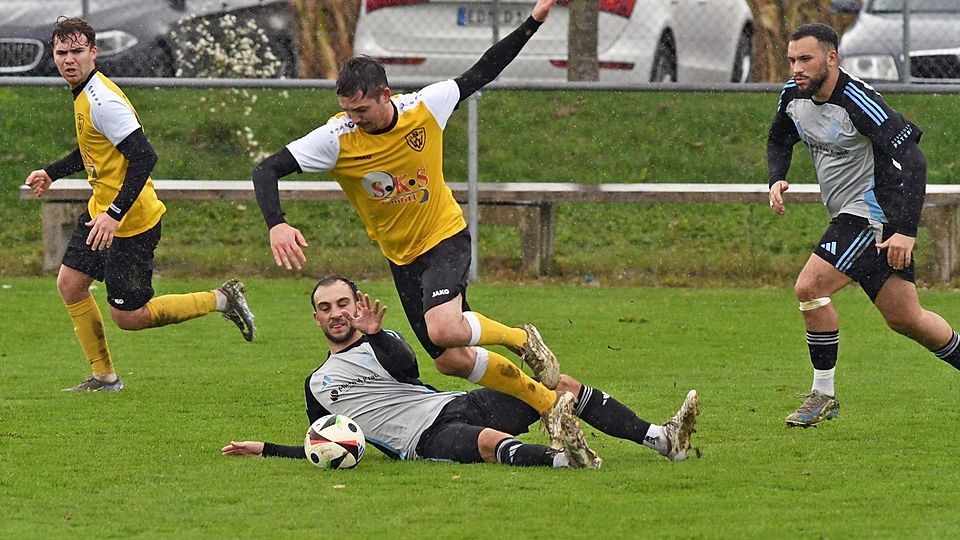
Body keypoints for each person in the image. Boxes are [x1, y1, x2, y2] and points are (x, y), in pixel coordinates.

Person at [251, 0, 578, 451]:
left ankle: (522, 339)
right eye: (348, 111)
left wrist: (534, 21)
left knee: (445, 329)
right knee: (451, 361)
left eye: (362, 110)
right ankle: (558, 404)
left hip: (444, 235)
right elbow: (266, 170)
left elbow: (484, 70)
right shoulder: (336, 138)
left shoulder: (425, 106)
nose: (354, 119)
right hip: (400, 257)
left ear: (385, 96)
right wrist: (277, 224)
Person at [222, 276, 700, 468]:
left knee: (557, 386)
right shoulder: (317, 385)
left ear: (357, 305)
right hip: (420, 442)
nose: (337, 313)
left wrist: (372, 334)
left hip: (452, 406)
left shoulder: (380, 344)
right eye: (326, 308)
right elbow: (321, 440)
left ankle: (660, 438)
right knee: (490, 443)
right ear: (316, 318)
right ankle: (567, 459)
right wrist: (265, 449)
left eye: (343, 303)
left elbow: (407, 368)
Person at [24, 17, 256, 392]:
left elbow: (145, 157)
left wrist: (115, 215)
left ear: (93, 53)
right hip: (104, 212)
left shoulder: (102, 101)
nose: (69, 59)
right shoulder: (83, 93)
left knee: (130, 317)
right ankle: (104, 378)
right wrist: (53, 172)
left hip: (130, 221)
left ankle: (222, 298)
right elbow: (95, 150)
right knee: (70, 284)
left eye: (77, 51)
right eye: (62, 52)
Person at [767, 23, 960, 427]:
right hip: (851, 215)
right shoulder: (794, 95)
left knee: (810, 286)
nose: (796, 68)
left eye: (806, 59)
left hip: (872, 213)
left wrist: (905, 230)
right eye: (792, 60)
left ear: (832, 58)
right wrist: (777, 176)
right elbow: (780, 137)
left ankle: (823, 395)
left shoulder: (857, 99)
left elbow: (915, 160)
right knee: (906, 318)